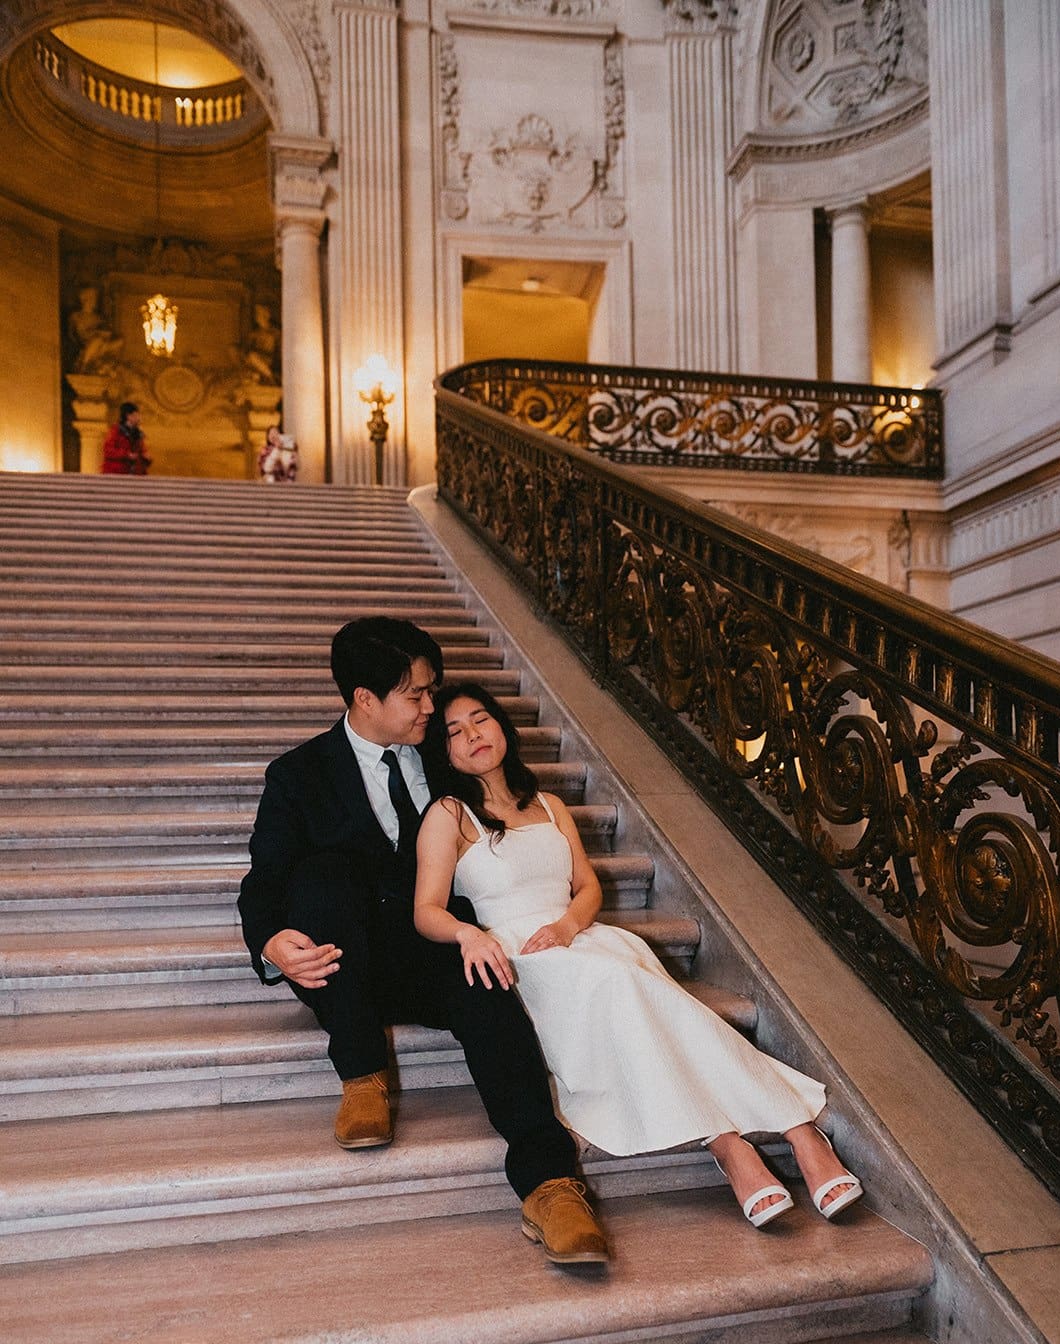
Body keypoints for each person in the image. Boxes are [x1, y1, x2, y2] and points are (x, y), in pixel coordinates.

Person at [415, 684, 864, 1229]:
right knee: (622, 986)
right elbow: (426, 910)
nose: (472, 736)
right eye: (454, 733)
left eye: (479, 720)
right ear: (444, 753)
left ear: (501, 727)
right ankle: (734, 1141)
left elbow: (587, 888)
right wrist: (468, 935)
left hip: (576, 935)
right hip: (518, 957)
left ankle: (798, 1133)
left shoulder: (550, 806)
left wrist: (566, 926)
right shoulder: (449, 813)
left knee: (625, 975)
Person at [238, 617, 609, 1265]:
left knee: (485, 981)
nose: (432, 709)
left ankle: (551, 1185)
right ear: (364, 699)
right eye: (416, 695)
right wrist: (271, 941)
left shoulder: (444, 757)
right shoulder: (299, 776)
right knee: (323, 877)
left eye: (432, 692)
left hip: (431, 949)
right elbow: (263, 881)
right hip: (342, 962)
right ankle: (361, 1075)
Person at [101, 402, 151, 476]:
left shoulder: (138, 434)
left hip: (134, 474)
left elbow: (142, 450)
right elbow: (108, 450)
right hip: (116, 473)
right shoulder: (115, 431)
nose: (139, 418)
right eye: (136, 415)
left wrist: (146, 457)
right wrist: (127, 455)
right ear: (128, 416)